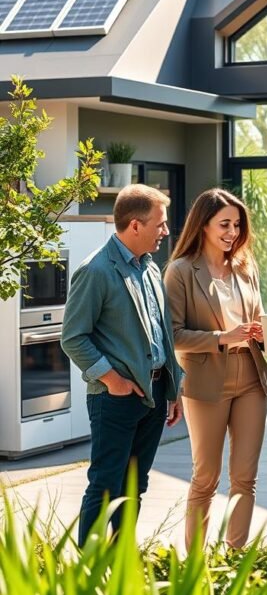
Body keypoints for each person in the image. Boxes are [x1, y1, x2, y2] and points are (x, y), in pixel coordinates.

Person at [61, 184, 184, 545]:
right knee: (105, 485)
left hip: (154, 394)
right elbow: (73, 337)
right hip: (115, 398)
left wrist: (172, 389)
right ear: (134, 225)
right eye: (159, 224)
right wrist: (112, 379)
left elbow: (161, 334)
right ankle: (91, 573)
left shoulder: (149, 269)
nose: (165, 231)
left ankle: (121, 564)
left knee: (135, 486)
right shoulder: (96, 270)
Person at [164, 188, 267, 550]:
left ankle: (235, 557)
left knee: (245, 477)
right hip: (206, 382)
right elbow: (174, 335)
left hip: (251, 379)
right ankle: (196, 563)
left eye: (237, 224)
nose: (232, 231)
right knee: (205, 478)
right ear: (204, 225)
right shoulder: (180, 271)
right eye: (224, 224)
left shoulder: (246, 266)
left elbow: (256, 319)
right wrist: (223, 337)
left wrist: (262, 330)